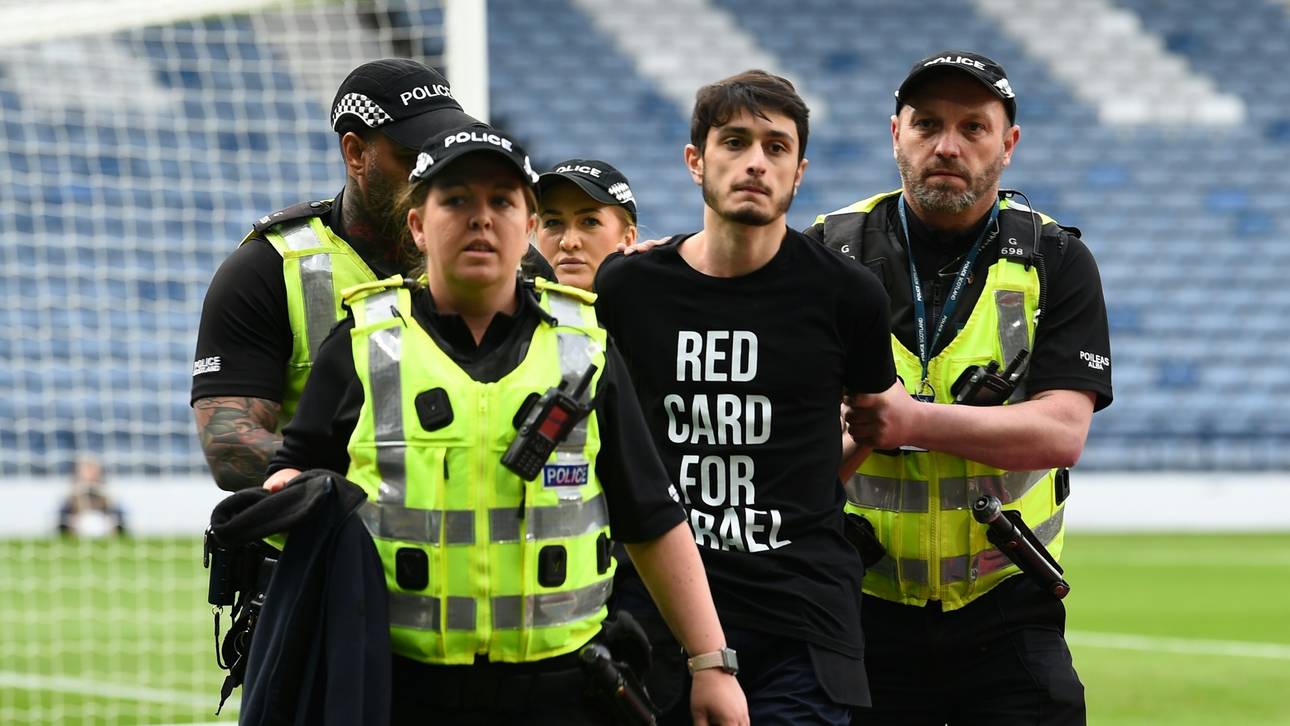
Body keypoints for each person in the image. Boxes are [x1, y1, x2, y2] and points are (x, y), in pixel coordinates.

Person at [261, 124, 749, 725]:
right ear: (418, 224)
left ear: (526, 227)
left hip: (562, 693)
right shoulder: (361, 346)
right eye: (456, 200)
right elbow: (297, 474)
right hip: (397, 690)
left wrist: (711, 664)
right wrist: (285, 489)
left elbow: (651, 518)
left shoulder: (587, 350)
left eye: (501, 202)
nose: (481, 218)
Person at [806, 51, 1113, 725]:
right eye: (927, 124)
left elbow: (1061, 433)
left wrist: (907, 423)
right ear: (896, 135)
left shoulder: (1057, 260)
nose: (947, 145)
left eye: (973, 127)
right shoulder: (824, 253)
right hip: (859, 605)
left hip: (1008, 607)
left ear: (1008, 145)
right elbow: (795, 456)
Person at [594, 70, 897, 724]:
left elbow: (873, 420)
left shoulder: (847, 295)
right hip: (657, 604)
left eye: (776, 147)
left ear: (799, 170)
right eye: (735, 142)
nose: (757, 162)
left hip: (803, 610)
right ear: (695, 161)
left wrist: (813, 481)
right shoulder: (628, 290)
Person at [191, 58, 484, 492]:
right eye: (412, 159)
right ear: (355, 153)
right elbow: (229, 448)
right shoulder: (266, 269)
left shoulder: (502, 259)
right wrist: (387, 478)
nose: (433, 177)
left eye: (446, 158)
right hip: (319, 555)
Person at [535, 159, 639, 290]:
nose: (568, 243)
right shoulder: (507, 306)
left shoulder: (661, 307)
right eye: (553, 222)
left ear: (628, 239)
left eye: (590, 222)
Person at [57, 456, 127, 537]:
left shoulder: (105, 489)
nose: (90, 474)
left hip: (102, 523)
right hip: (79, 524)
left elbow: (116, 510)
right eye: (86, 470)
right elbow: (64, 511)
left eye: (92, 470)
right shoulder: (73, 491)